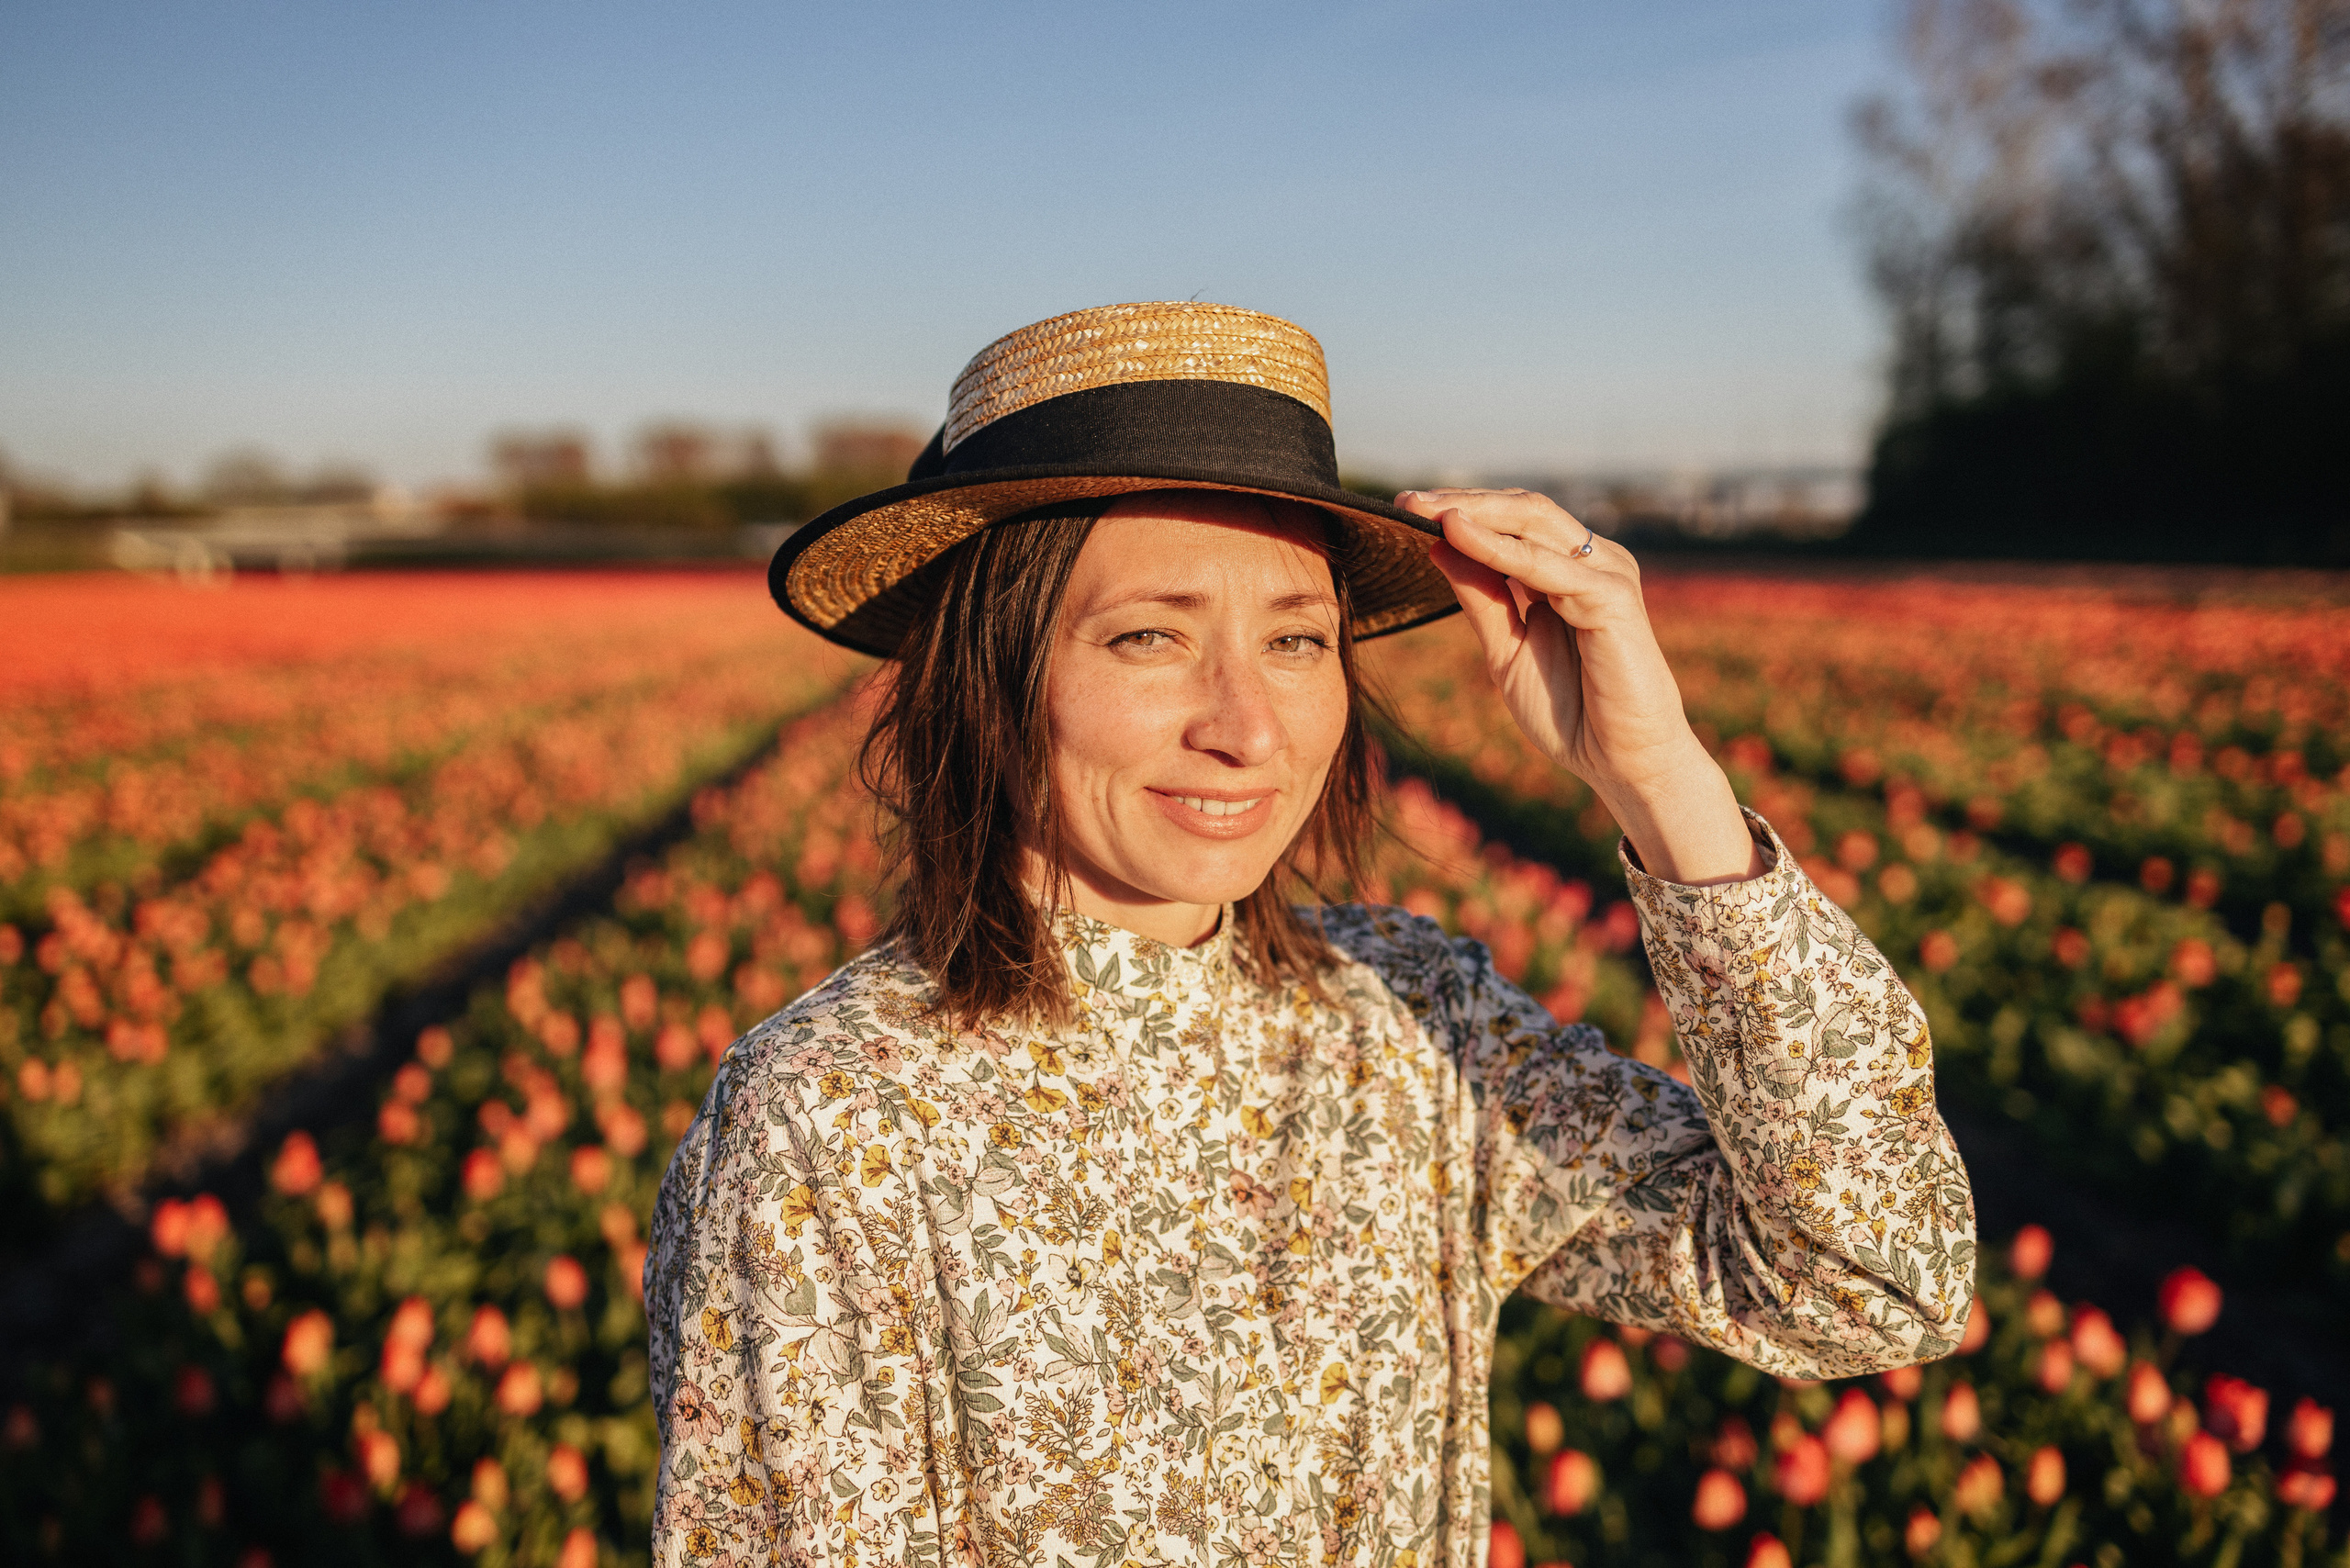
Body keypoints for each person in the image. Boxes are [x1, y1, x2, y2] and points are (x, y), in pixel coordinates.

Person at [646, 303, 1975, 1568]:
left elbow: (1868, 1280)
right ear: (987, 675)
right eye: (1151, 636)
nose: (1248, 726)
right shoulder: (833, 1118)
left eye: (1297, 640)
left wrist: (1661, 779)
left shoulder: (1405, 1027)